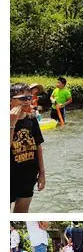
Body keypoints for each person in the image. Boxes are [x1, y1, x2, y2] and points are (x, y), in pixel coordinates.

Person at [11, 85, 47, 213]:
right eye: (22, 98)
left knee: (22, 213)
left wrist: (42, 173)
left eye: (29, 97)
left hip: (28, 175)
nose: (27, 101)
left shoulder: (31, 119)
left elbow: (38, 146)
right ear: (10, 100)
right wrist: (11, 124)